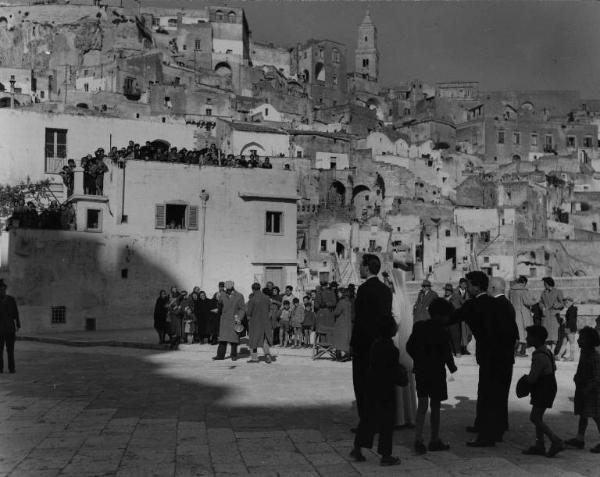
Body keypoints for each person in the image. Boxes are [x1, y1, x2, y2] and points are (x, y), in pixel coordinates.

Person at [449, 271, 506, 447]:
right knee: (492, 394)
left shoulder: (474, 304)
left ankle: (486, 437)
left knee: (488, 393)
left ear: (475, 286)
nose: (467, 288)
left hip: (488, 355)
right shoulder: (495, 303)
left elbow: (452, 317)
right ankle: (492, 432)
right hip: (499, 354)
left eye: (469, 284)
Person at [349, 254, 396, 464]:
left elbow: (360, 321)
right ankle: (384, 451)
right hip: (382, 347)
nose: (359, 268)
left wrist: (355, 346)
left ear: (367, 268)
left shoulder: (364, 290)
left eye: (361, 265)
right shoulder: (385, 290)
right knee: (384, 402)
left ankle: (360, 442)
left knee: (365, 395)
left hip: (364, 350)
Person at [407, 298, 457, 454]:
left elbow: (410, 347)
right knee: (435, 406)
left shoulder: (419, 327)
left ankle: (418, 440)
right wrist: (452, 368)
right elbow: (446, 353)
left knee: (422, 405)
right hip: (436, 373)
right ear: (442, 316)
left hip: (422, 371)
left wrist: (419, 360)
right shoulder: (443, 331)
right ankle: (434, 439)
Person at [350, 315, 401, 466]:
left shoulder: (375, 345)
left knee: (368, 420)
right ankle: (386, 455)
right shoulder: (392, 349)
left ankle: (357, 448)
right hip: (385, 390)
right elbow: (392, 371)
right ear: (391, 330)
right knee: (387, 423)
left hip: (371, 387)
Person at [520, 325, 564, 457]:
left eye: (529, 336)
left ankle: (555, 440)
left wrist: (525, 382)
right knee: (538, 416)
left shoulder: (538, 355)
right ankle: (540, 445)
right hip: (548, 386)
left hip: (543, 389)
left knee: (535, 417)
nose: (527, 338)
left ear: (536, 338)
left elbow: (533, 378)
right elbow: (553, 368)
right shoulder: (547, 351)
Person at [488, 276, 519, 443]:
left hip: (498, 358)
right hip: (506, 357)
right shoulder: (507, 305)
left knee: (496, 394)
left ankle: (495, 431)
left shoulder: (495, 306)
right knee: (501, 394)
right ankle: (501, 425)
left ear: (493, 288)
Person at [565, 327, 600, 453]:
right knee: (583, 415)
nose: (579, 340)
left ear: (589, 341)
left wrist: (587, 388)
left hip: (592, 391)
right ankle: (579, 439)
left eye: (581, 338)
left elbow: (597, 377)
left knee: (597, 416)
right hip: (583, 388)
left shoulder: (594, 356)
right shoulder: (584, 353)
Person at [213, 281, 245, 361]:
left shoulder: (239, 296)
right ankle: (220, 356)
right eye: (226, 289)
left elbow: (242, 309)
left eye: (229, 289)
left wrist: (239, 318)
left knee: (233, 339)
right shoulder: (222, 295)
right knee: (222, 339)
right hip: (224, 319)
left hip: (234, 319)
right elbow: (220, 305)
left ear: (233, 288)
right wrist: (218, 307)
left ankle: (233, 355)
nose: (228, 291)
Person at [509, 275, 537, 357]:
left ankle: (514, 351)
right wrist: (534, 300)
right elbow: (527, 302)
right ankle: (522, 352)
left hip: (513, 312)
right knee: (524, 333)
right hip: (523, 314)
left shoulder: (511, 290)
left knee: (515, 332)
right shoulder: (523, 290)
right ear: (524, 282)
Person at [246, 283, 274, 363]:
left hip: (255, 322)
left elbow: (249, 313)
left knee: (253, 340)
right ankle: (267, 355)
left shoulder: (252, 299)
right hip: (265, 322)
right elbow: (270, 309)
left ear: (253, 289)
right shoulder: (266, 298)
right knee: (264, 340)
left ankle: (254, 358)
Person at [539, 277, 564, 353]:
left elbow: (562, 303)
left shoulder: (558, 291)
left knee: (554, 335)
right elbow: (541, 302)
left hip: (554, 316)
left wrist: (556, 305)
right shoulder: (543, 292)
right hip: (546, 316)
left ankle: (552, 350)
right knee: (546, 334)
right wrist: (542, 307)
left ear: (548, 283)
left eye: (545, 283)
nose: (544, 285)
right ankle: (548, 350)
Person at [0, 279, 20, 373]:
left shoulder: (11, 300)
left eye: (3, 289)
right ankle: (0, 368)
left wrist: (18, 325)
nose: (2, 291)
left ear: (5, 289)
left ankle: (11, 368)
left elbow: (16, 313)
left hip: (10, 329)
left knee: (10, 351)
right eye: (0, 289)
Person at [333, 288, 352, 361]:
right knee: (346, 340)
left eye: (339, 293)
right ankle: (347, 354)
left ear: (342, 293)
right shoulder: (348, 302)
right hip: (348, 323)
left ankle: (339, 356)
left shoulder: (341, 302)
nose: (338, 294)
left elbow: (336, 312)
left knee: (339, 340)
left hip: (341, 323)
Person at [556, 298, 577, 362]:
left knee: (571, 342)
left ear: (571, 302)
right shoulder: (570, 309)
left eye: (567, 302)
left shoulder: (572, 309)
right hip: (568, 328)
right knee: (564, 342)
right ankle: (559, 355)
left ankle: (571, 357)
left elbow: (571, 320)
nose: (566, 304)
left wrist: (567, 325)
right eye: (565, 303)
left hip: (570, 328)